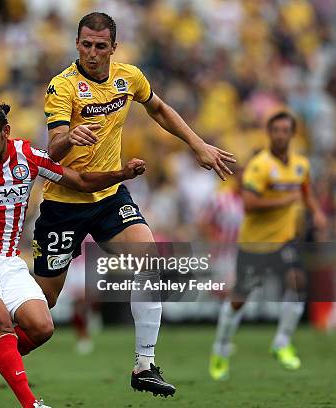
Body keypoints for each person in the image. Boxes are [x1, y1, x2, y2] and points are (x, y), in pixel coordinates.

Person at [34, 12, 236, 397]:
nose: (92, 53)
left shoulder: (129, 77)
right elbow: (52, 149)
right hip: (66, 202)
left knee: (148, 261)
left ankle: (145, 365)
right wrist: (70, 137)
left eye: (100, 46)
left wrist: (197, 144)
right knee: (43, 304)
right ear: (77, 44)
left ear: (113, 47)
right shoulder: (62, 87)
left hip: (110, 195)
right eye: (85, 45)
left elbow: (157, 108)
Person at [0, 102, 146, 408]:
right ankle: (31, 404)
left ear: (6, 132)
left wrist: (121, 173)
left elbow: (82, 182)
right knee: (1, 323)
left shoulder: (28, 158)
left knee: (41, 327)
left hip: (8, 260)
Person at [208, 111, 328, 380]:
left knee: (297, 281)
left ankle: (282, 342)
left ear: (292, 134)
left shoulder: (300, 165)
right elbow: (249, 204)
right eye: (275, 130)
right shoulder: (259, 165)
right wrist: (286, 200)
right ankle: (221, 348)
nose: (280, 135)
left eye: (285, 130)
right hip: (254, 244)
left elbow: (305, 191)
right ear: (269, 133)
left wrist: (317, 213)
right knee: (240, 299)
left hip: (284, 240)